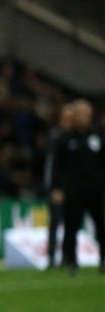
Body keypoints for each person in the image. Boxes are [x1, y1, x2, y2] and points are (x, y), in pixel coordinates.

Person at [49, 99, 105, 275]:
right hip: (74, 190)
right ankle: (72, 261)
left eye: (87, 114)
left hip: (96, 189)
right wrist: (56, 188)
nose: (84, 117)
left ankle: (103, 260)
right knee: (72, 226)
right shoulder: (65, 139)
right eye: (81, 114)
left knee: (101, 225)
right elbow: (57, 166)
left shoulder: (98, 136)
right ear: (74, 117)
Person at [43, 103, 74, 268]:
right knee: (55, 222)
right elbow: (51, 164)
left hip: (73, 187)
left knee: (70, 223)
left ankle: (67, 257)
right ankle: (51, 257)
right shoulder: (55, 136)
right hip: (58, 188)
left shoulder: (76, 136)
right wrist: (53, 187)